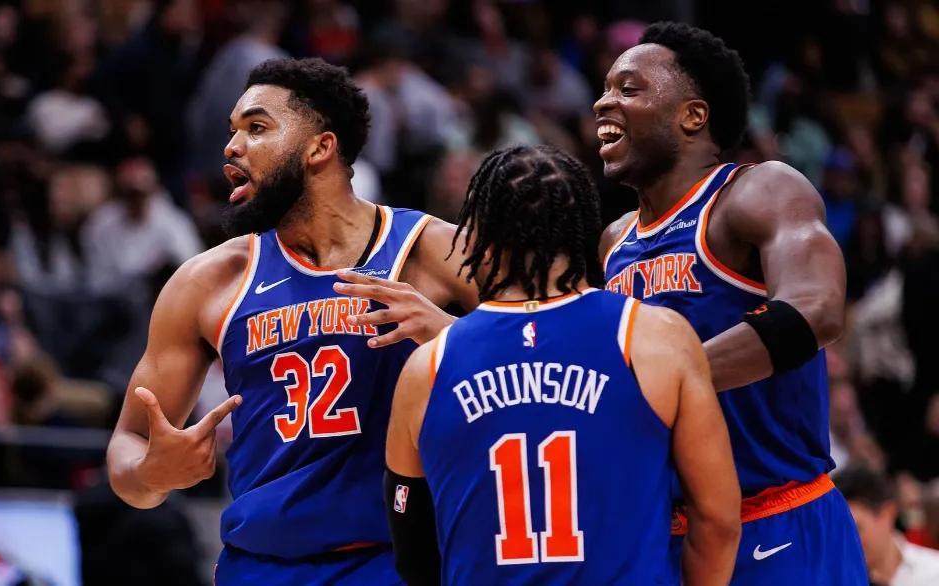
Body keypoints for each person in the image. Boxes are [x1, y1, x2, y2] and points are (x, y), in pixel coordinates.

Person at [106, 57, 477, 585]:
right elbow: (128, 443)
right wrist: (149, 473)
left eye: (256, 128)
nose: (232, 148)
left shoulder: (429, 248)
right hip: (260, 566)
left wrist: (450, 334)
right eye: (232, 131)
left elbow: (553, 347)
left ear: (320, 148)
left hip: (394, 560)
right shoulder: (209, 280)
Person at [384, 145, 741, 585]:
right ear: (583, 231)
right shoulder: (655, 338)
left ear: (475, 241)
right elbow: (718, 521)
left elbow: (412, 550)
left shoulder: (427, 368)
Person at [595, 22, 865, 584]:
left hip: (777, 521)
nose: (603, 102)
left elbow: (816, 309)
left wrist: (676, 377)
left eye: (629, 88)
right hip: (666, 535)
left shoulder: (759, 190)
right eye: (605, 88)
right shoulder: (614, 241)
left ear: (693, 115)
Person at [838, 467, 939, 585]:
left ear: (887, 514)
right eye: (839, 534)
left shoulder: (934, 572)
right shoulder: (832, 578)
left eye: (856, 529)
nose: (847, 542)